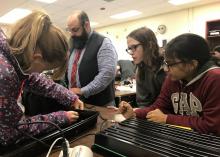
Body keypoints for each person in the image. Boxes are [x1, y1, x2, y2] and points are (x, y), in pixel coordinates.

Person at [0, 11, 84, 146]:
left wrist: (70, 97)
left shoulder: (11, 53)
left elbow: (34, 80)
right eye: (45, 69)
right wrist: (59, 118)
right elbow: (8, 133)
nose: (41, 73)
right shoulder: (4, 76)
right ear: (37, 57)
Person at [118, 33, 220, 136]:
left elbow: (212, 125)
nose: (166, 69)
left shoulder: (215, 79)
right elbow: (160, 107)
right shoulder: (173, 78)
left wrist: (167, 119)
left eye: (170, 64)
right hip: (184, 137)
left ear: (192, 64)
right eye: (166, 64)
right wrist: (135, 113)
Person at [66, 10, 117, 106]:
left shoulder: (103, 42)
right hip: (77, 102)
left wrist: (83, 91)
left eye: (75, 30)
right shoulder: (74, 42)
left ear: (86, 25)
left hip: (100, 105)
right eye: (69, 30)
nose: (72, 34)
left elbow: (107, 73)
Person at [126, 27, 165, 107]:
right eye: (130, 49)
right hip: (150, 115)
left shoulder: (166, 67)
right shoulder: (140, 68)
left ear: (149, 45)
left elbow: (168, 103)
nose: (131, 53)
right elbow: (143, 103)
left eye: (134, 47)